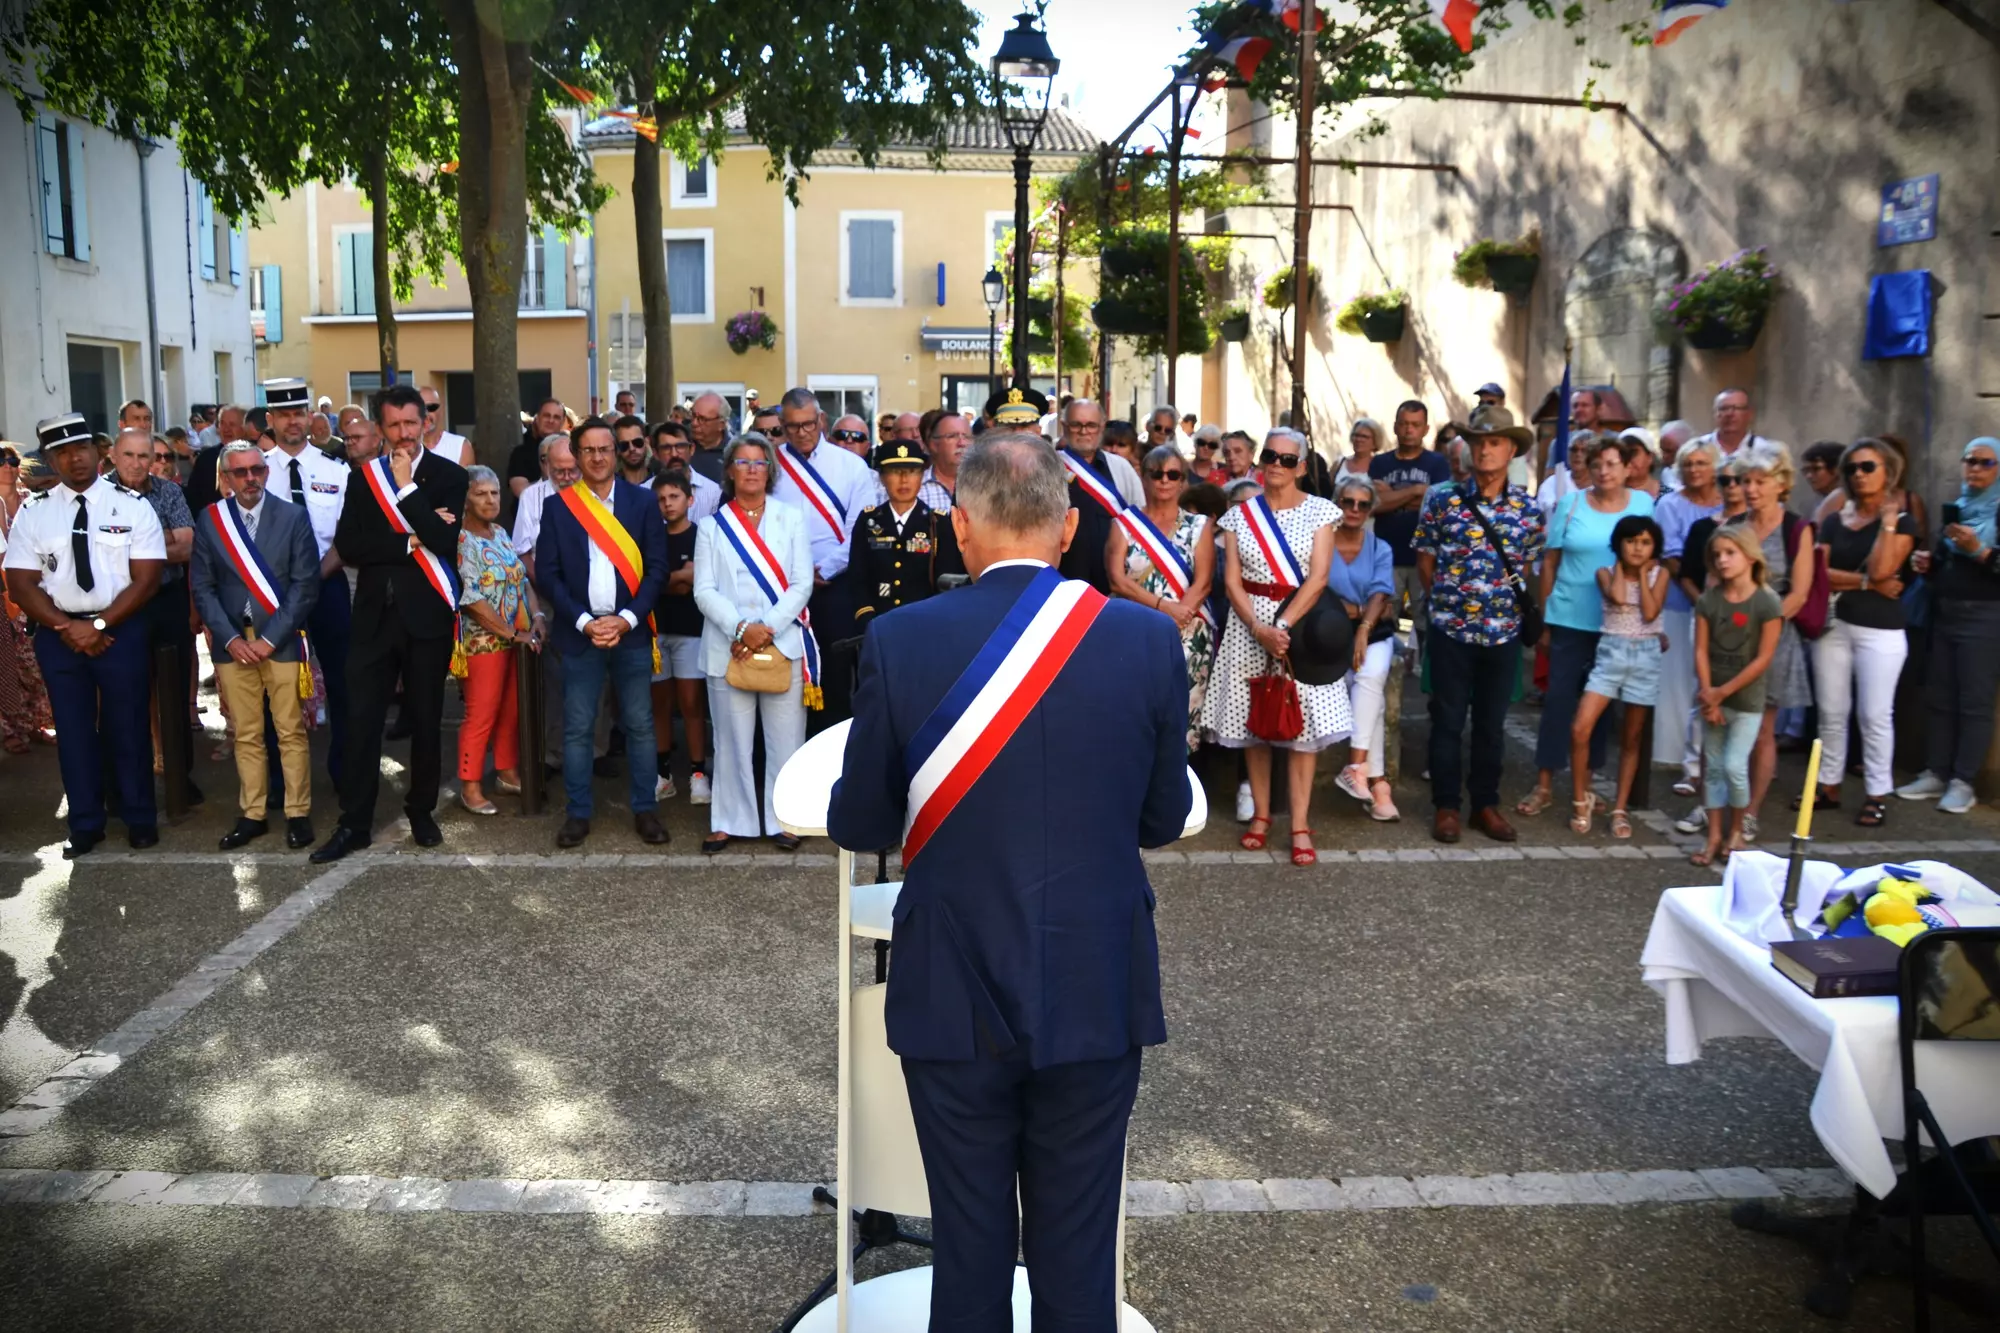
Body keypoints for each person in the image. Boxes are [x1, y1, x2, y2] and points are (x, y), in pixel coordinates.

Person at [826, 432, 1189, 1333]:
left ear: (959, 526)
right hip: (1093, 983)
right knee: (1078, 1255)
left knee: (970, 1250)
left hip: (955, 987)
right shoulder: (1145, 639)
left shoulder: (899, 641)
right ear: (1068, 529)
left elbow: (860, 824)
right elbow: (1160, 816)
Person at [311, 385, 469, 863]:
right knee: (361, 721)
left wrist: (405, 489)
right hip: (374, 617)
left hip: (427, 618)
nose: (403, 433)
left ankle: (421, 812)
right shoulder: (363, 479)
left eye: (410, 423)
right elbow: (351, 546)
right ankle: (354, 822)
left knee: (424, 719)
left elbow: (443, 538)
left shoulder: (449, 476)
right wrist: (407, 541)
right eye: (394, 425)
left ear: (426, 423)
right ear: (380, 428)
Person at [3, 415, 166, 857]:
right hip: (59, 634)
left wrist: (96, 626)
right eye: (61, 452)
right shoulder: (36, 512)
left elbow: (147, 578)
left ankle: (138, 819)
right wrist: (65, 626)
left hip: (119, 630)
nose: (73, 459)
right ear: (51, 460)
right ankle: (86, 824)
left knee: (128, 727)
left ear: (99, 451)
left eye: (80, 449)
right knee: (73, 733)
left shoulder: (132, 505)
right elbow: (20, 581)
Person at [1201, 428, 1348, 866]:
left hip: (1300, 625)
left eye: (1288, 459)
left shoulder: (1322, 512)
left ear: (1301, 467)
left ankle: (1300, 824)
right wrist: (1258, 627)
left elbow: (1319, 577)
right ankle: (1262, 816)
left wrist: (1280, 626)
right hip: (1249, 626)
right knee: (1255, 726)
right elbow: (1229, 581)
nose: (1277, 465)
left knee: (1304, 732)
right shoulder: (1239, 516)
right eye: (1271, 456)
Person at [534, 417, 669, 848]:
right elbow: (549, 576)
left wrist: (626, 619)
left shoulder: (642, 502)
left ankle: (646, 810)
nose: (597, 457)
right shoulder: (558, 506)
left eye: (604, 449)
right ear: (575, 456)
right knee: (577, 728)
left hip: (629, 632)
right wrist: (584, 622)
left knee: (641, 726)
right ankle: (577, 814)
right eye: (588, 450)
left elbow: (657, 570)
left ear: (617, 453)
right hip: (580, 633)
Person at [1413, 411, 1542, 843]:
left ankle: (1485, 805)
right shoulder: (1441, 499)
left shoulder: (1528, 509)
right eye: (1479, 441)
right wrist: (1451, 604)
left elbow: (1524, 567)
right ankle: (1447, 806)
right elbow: (1426, 561)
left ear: (1512, 451)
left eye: (1496, 442)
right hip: (1452, 631)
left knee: (1492, 724)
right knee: (1447, 721)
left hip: (1503, 633)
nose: (1486, 449)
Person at [192, 441, 321, 849]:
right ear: (226, 478)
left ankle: (298, 813)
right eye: (241, 472)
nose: (251, 479)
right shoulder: (211, 519)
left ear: (266, 472)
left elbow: (305, 585)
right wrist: (230, 638)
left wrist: (269, 639)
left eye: (257, 470)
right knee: (245, 733)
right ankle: (253, 814)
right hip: (232, 645)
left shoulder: (294, 516)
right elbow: (202, 586)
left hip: (278, 642)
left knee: (290, 731)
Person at [1519, 435, 1654, 818]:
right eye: (1597, 464)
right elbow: (1550, 563)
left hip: (1617, 622)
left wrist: (1652, 621)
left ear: (1628, 468)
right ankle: (1544, 784)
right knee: (1558, 702)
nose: (1604, 471)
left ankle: (1587, 784)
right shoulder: (1570, 503)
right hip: (1568, 617)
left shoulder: (1644, 504)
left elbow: (1650, 560)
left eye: (1612, 463)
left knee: (1600, 707)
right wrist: (1544, 619)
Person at [694, 433, 814, 853]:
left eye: (759, 463)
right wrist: (742, 628)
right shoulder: (711, 526)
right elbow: (703, 589)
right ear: (729, 471)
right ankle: (730, 820)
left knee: (785, 739)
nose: (750, 470)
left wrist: (766, 627)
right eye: (742, 462)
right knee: (730, 740)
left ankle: (785, 818)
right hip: (728, 645)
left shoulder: (792, 518)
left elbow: (802, 583)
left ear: (770, 470)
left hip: (781, 643)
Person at [1811, 438, 1916, 828]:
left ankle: (1877, 793)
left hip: (1881, 631)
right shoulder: (1836, 519)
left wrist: (1887, 523)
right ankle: (1828, 784)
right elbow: (1820, 572)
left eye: (1868, 467)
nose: (1859, 474)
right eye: (1853, 468)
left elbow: (1885, 569)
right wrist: (1867, 584)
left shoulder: (1903, 521)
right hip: (1834, 623)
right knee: (1832, 712)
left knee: (1874, 715)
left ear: (1888, 471)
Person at [1902, 437, 2000, 814]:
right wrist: (1929, 563)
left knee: (1974, 701)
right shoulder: (1958, 507)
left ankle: (1964, 780)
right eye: (1969, 460)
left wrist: (1981, 552)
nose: (1974, 468)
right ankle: (1937, 771)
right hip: (1946, 612)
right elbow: (1946, 562)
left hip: (1986, 616)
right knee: (1939, 696)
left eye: (1985, 462)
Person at [262, 377, 351, 792]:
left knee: (341, 680)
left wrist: (315, 577)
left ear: (311, 417)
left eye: (299, 412)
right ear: (270, 420)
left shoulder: (336, 469)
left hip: (326, 583)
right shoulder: (255, 473)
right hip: (273, 594)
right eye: (283, 414)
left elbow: (347, 536)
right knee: (275, 688)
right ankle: (280, 782)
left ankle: (343, 771)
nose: (293, 421)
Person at [770, 388, 877, 729]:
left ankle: (832, 759)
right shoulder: (770, 464)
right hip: (780, 586)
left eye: (807, 424)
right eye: (791, 427)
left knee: (834, 675)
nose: (801, 433)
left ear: (821, 420)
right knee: (782, 670)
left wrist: (824, 568)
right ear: (782, 426)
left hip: (833, 585)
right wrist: (793, 573)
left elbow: (858, 528)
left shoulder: (852, 466)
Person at [1722, 444, 1815, 830]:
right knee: (1725, 725)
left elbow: (1799, 593)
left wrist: (1762, 628)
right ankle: (1719, 804)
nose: (1752, 489)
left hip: (1773, 640)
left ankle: (1750, 814)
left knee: (1762, 730)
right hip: (1731, 639)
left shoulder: (1796, 528)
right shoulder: (1733, 526)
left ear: (1780, 484)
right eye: (1746, 481)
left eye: (1760, 481)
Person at [1106, 443, 1214, 753]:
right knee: (1134, 713)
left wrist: (1181, 615)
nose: (1164, 480)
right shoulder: (1123, 524)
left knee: (1180, 717)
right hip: (1133, 631)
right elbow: (1116, 579)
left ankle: (1178, 790)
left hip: (1187, 631)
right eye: (1156, 474)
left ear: (1183, 481)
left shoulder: (1199, 526)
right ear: (1143, 478)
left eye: (1172, 474)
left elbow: (1204, 581)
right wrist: (1163, 608)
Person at [110, 429, 199, 801]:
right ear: (113, 457)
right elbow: (101, 555)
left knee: (174, 693)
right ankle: (124, 787)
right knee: (123, 696)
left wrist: (128, 540)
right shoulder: (99, 494)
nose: (136, 463)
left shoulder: (170, 492)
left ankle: (181, 779)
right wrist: (160, 538)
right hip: (120, 604)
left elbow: (186, 547)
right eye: (128, 455)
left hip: (166, 599)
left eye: (144, 456)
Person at [1566, 515, 1667, 837]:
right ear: (1619, 544)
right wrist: (1627, 570)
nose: (1637, 548)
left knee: (1631, 737)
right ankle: (1581, 800)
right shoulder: (1605, 573)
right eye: (1631, 541)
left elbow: (1650, 612)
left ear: (1654, 548)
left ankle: (1620, 808)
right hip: (1611, 654)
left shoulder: (1660, 574)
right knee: (1580, 728)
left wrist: (1645, 575)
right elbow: (1620, 597)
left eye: (1645, 542)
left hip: (1646, 656)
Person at [1690, 526, 1784, 866]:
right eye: (1717, 555)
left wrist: (1721, 693)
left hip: (1745, 701)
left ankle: (1737, 831)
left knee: (1733, 765)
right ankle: (1714, 835)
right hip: (1711, 696)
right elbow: (1700, 649)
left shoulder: (1766, 601)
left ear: (1749, 555)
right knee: (1713, 767)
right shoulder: (1709, 600)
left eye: (1730, 553)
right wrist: (1707, 693)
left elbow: (1763, 658)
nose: (1723, 560)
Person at [455, 465, 542, 816]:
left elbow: (521, 582)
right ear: (465, 499)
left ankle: (507, 773)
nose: (490, 500)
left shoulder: (501, 533)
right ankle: (470, 785)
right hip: (482, 643)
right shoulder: (462, 540)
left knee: (510, 711)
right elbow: (472, 599)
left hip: (515, 640)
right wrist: (509, 632)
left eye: (494, 493)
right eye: (481, 493)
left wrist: (537, 617)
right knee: (481, 714)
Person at [1326, 475, 1398, 821]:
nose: (1354, 509)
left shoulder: (1380, 547)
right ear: (1337, 503)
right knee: (1374, 697)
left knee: (1370, 674)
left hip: (1374, 631)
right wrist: (1352, 615)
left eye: (1362, 504)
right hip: (1330, 632)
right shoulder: (1321, 542)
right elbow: (1318, 592)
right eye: (1347, 502)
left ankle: (1355, 766)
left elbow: (1381, 594)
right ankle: (1378, 781)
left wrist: (1364, 627)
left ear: (1371, 509)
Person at [1654, 441, 1723, 790]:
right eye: (1689, 463)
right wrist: (1702, 599)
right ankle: (1675, 754)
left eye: (1702, 463)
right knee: (1679, 680)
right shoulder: (1670, 504)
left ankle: (1715, 758)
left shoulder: (1729, 503)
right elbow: (1670, 555)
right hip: (1681, 602)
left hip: (1726, 608)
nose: (1695, 469)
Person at [852, 440, 963, 631]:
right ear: (881, 477)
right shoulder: (868, 521)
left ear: (922, 475)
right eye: (895, 471)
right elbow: (857, 577)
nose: (904, 479)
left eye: (912, 471)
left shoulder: (938, 523)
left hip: (926, 624)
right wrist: (867, 618)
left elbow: (946, 580)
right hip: (879, 623)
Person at [648, 471, 710, 804]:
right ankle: (663, 774)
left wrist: (671, 580)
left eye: (674, 496)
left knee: (691, 704)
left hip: (691, 630)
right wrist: (679, 578)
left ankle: (698, 774)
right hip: (657, 631)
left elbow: (698, 582)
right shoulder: (650, 537)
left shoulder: (702, 536)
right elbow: (652, 581)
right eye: (661, 498)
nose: (667, 504)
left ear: (690, 499)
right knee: (660, 705)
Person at [1369, 401, 1451, 643]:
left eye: (1415, 425)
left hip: (1423, 556)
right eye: (1404, 424)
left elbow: (1436, 505)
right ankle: (1387, 675)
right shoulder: (1380, 463)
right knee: (1383, 619)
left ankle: (1422, 673)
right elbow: (1374, 505)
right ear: (1395, 427)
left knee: (1426, 622)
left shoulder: (1437, 463)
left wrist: (1392, 494)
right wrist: (1416, 491)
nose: (1408, 430)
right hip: (1387, 556)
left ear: (1426, 429)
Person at [1055, 398, 1146, 594]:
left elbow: (1141, 520)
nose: (1084, 431)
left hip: (1112, 586)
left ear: (1102, 427)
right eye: (1076, 424)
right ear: (1064, 426)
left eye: (1091, 425)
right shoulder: (1049, 466)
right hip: (1062, 584)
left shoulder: (1121, 467)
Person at [0, 442, 56, 752]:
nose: (8, 465)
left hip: (36, 592)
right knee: (6, 664)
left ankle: (36, 722)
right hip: (4, 595)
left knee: (35, 663)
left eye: (12, 460)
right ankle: (10, 729)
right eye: (1, 460)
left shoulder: (31, 502)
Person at [505, 397, 569, 517]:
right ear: (537, 418)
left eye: (556, 417)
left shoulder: (571, 449)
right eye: (546, 415)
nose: (551, 420)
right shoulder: (521, 452)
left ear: (563, 422)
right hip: (532, 517)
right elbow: (521, 490)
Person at [650, 420, 722, 520]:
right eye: (666, 448)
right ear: (656, 453)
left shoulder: (714, 492)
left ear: (692, 449)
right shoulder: (644, 492)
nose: (674, 454)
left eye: (680, 446)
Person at [1693, 387, 1782, 463]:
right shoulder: (1697, 448)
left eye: (1737, 408)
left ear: (1750, 414)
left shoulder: (1766, 451)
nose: (1730, 414)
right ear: (1715, 414)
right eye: (1724, 409)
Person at [420, 386, 472, 466]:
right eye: (421, 409)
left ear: (441, 409)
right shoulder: (406, 448)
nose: (426, 414)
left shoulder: (460, 446)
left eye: (431, 408)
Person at [686, 391, 731, 483]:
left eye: (702, 419)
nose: (694, 423)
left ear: (721, 424)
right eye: (693, 415)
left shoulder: (734, 451)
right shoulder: (680, 445)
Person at [1335, 418, 1381, 494]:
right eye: (1356, 435)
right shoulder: (1339, 463)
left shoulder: (1380, 466)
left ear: (1375, 442)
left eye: (1364, 436)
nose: (1358, 439)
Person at [613, 413, 655, 487]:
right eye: (624, 445)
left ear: (646, 442)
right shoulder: (611, 487)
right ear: (617, 449)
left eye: (637, 442)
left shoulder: (660, 484)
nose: (632, 449)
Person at [1620, 427, 1662, 500]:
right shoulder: (1606, 495)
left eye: (1633, 453)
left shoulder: (1668, 497)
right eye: (1623, 453)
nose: (1628, 458)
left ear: (1650, 457)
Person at [1656, 419, 1696, 491]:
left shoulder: (1700, 474)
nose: (1664, 456)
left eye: (1669, 451)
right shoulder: (1666, 473)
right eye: (1662, 451)